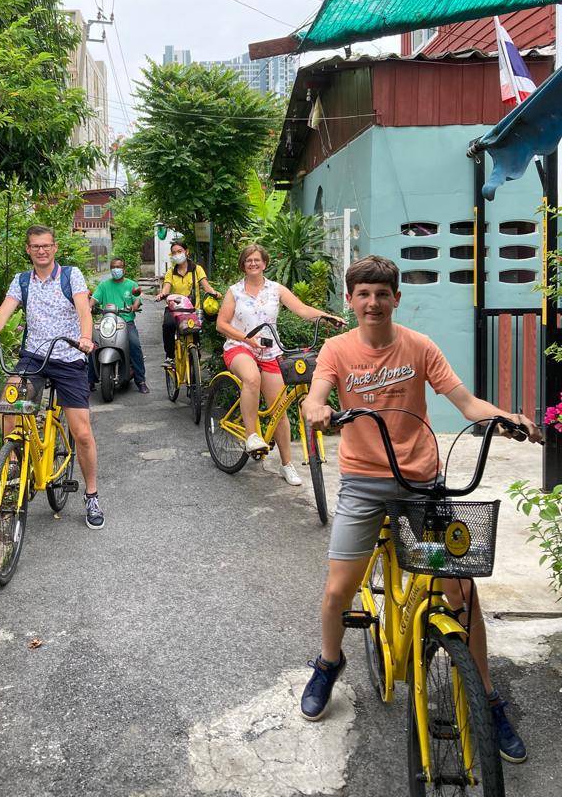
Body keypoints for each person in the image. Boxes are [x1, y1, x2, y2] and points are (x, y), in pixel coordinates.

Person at [301, 255, 541, 762]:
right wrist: (318, 409)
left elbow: (467, 403)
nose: (373, 303)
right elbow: (315, 397)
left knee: (461, 592)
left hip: (421, 486)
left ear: (396, 298)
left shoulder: (420, 346)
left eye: (381, 294)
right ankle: (328, 662)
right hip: (363, 485)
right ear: (350, 300)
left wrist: (504, 418)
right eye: (363, 294)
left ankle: (487, 698)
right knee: (338, 591)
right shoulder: (336, 349)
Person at [0, 225, 105, 530]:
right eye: (35, 246)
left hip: (69, 356)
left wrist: (85, 338)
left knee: (82, 432)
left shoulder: (71, 275)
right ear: (28, 250)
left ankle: (92, 495)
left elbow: (84, 310)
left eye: (46, 245)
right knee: (8, 402)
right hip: (34, 357)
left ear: (54, 248)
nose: (41, 250)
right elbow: (3, 311)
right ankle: (13, 466)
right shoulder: (22, 281)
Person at [215, 243, 345, 486]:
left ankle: (286, 465)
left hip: (271, 351)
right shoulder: (235, 291)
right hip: (240, 346)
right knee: (251, 378)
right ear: (243, 265)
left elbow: (301, 309)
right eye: (248, 260)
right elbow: (221, 324)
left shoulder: (275, 289)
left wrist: (327, 317)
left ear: (264, 263)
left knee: (279, 410)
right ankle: (251, 436)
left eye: (257, 260)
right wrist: (247, 339)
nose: (253, 263)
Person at [89, 256, 150, 394]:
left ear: (124, 269)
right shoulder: (104, 285)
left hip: (126, 321)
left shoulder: (131, 284)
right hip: (108, 322)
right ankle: (90, 380)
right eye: (113, 267)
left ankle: (140, 380)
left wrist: (133, 307)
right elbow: (94, 299)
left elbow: (137, 300)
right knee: (93, 345)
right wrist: (89, 307)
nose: (116, 269)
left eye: (118, 267)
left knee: (134, 345)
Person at [155, 240, 221, 364]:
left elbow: (206, 286)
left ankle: (194, 361)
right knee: (168, 326)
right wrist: (162, 294)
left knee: (194, 339)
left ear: (186, 252)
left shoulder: (197, 269)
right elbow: (166, 288)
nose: (177, 255)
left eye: (179, 251)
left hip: (192, 310)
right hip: (174, 309)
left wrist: (215, 293)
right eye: (174, 253)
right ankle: (170, 356)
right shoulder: (171, 272)